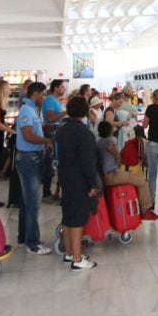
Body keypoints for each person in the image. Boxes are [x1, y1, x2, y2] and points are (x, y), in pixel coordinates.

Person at [55, 96, 101, 270]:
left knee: (68, 216)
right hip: (79, 179)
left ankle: (68, 253)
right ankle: (77, 259)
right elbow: (87, 162)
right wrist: (93, 184)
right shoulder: (84, 133)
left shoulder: (61, 130)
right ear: (84, 111)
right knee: (77, 219)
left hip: (65, 176)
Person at [16, 82, 54, 254]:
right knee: (33, 202)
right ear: (36, 94)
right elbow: (28, 135)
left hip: (33, 157)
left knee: (27, 201)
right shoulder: (26, 110)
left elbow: (36, 130)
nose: (44, 98)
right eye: (43, 94)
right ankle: (33, 242)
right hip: (28, 159)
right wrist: (46, 141)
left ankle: (24, 236)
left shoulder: (32, 110)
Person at [98, 122, 158, 220]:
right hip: (112, 175)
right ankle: (145, 210)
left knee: (131, 177)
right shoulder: (111, 139)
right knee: (141, 181)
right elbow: (110, 147)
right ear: (110, 131)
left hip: (103, 177)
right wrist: (117, 156)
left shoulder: (99, 142)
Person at [41, 79, 68, 200]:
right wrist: (66, 113)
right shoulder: (49, 100)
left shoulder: (55, 100)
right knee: (50, 164)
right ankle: (46, 192)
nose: (64, 89)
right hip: (51, 134)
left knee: (54, 164)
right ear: (56, 88)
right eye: (62, 87)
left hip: (57, 134)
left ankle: (54, 191)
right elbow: (51, 117)